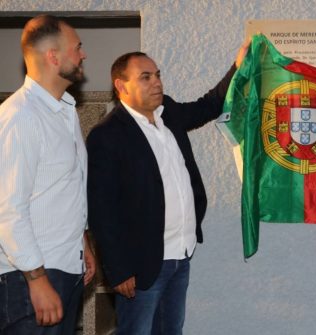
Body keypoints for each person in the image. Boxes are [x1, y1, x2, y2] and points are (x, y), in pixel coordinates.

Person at [87, 45, 247, 334]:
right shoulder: (107, 135)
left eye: (157, 75)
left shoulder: (168, 112)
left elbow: (209, 106)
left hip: (180, 254)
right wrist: (118, 269)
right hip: (141, 265)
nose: (156, 82)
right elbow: (101, 210)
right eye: (145, 77)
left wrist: (237, 67)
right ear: (121, 86)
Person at [0, 15, 96, 334]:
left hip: (64, 270)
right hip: (31, 278)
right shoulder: (21, 116)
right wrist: (37, 279)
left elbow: (62, 187)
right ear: (52, 56)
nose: (83, 54)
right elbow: (8, 209)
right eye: (77, 47)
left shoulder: (64, 111)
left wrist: (82, 242)